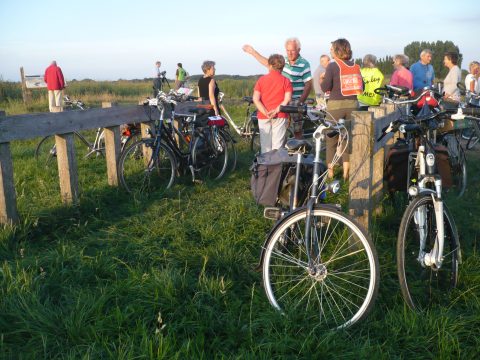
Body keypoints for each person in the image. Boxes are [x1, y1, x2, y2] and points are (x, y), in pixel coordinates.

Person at [242, 37, 312, 139]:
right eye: (287, 50)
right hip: (282, 101)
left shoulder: (304, 64)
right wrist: (253, 52)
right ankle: (282, 151)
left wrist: (300, 102)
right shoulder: (283, 61)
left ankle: (298, 152)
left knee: (297, 130)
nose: (290, 53)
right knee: (281, 129)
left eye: (292, 50)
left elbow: (308, 84)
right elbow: (268, 63)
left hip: (295, 101)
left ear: (298, 50)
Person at [321, 38, 363, 180]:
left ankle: (331, 173)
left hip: (335, 107)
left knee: (331, 140)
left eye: (332, 49)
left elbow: (325, 87)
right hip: (353, 106)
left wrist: (322, 79)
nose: (331, 51)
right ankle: (346, 173)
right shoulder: (356, 66)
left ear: (337, 50)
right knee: (347, 139)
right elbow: (361, 86)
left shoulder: (333, 66)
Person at [252, 54, 293, 153]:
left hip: (263, 116)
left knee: (265, 146)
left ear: (269, 66)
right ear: (282, 67)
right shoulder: (286, 81)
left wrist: (266, 112)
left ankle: (266, 167)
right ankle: (276, 167)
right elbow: (287, 99)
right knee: (277, 146)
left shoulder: (261, 80)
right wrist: (276, 110)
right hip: (280, 115)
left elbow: (255, 99)